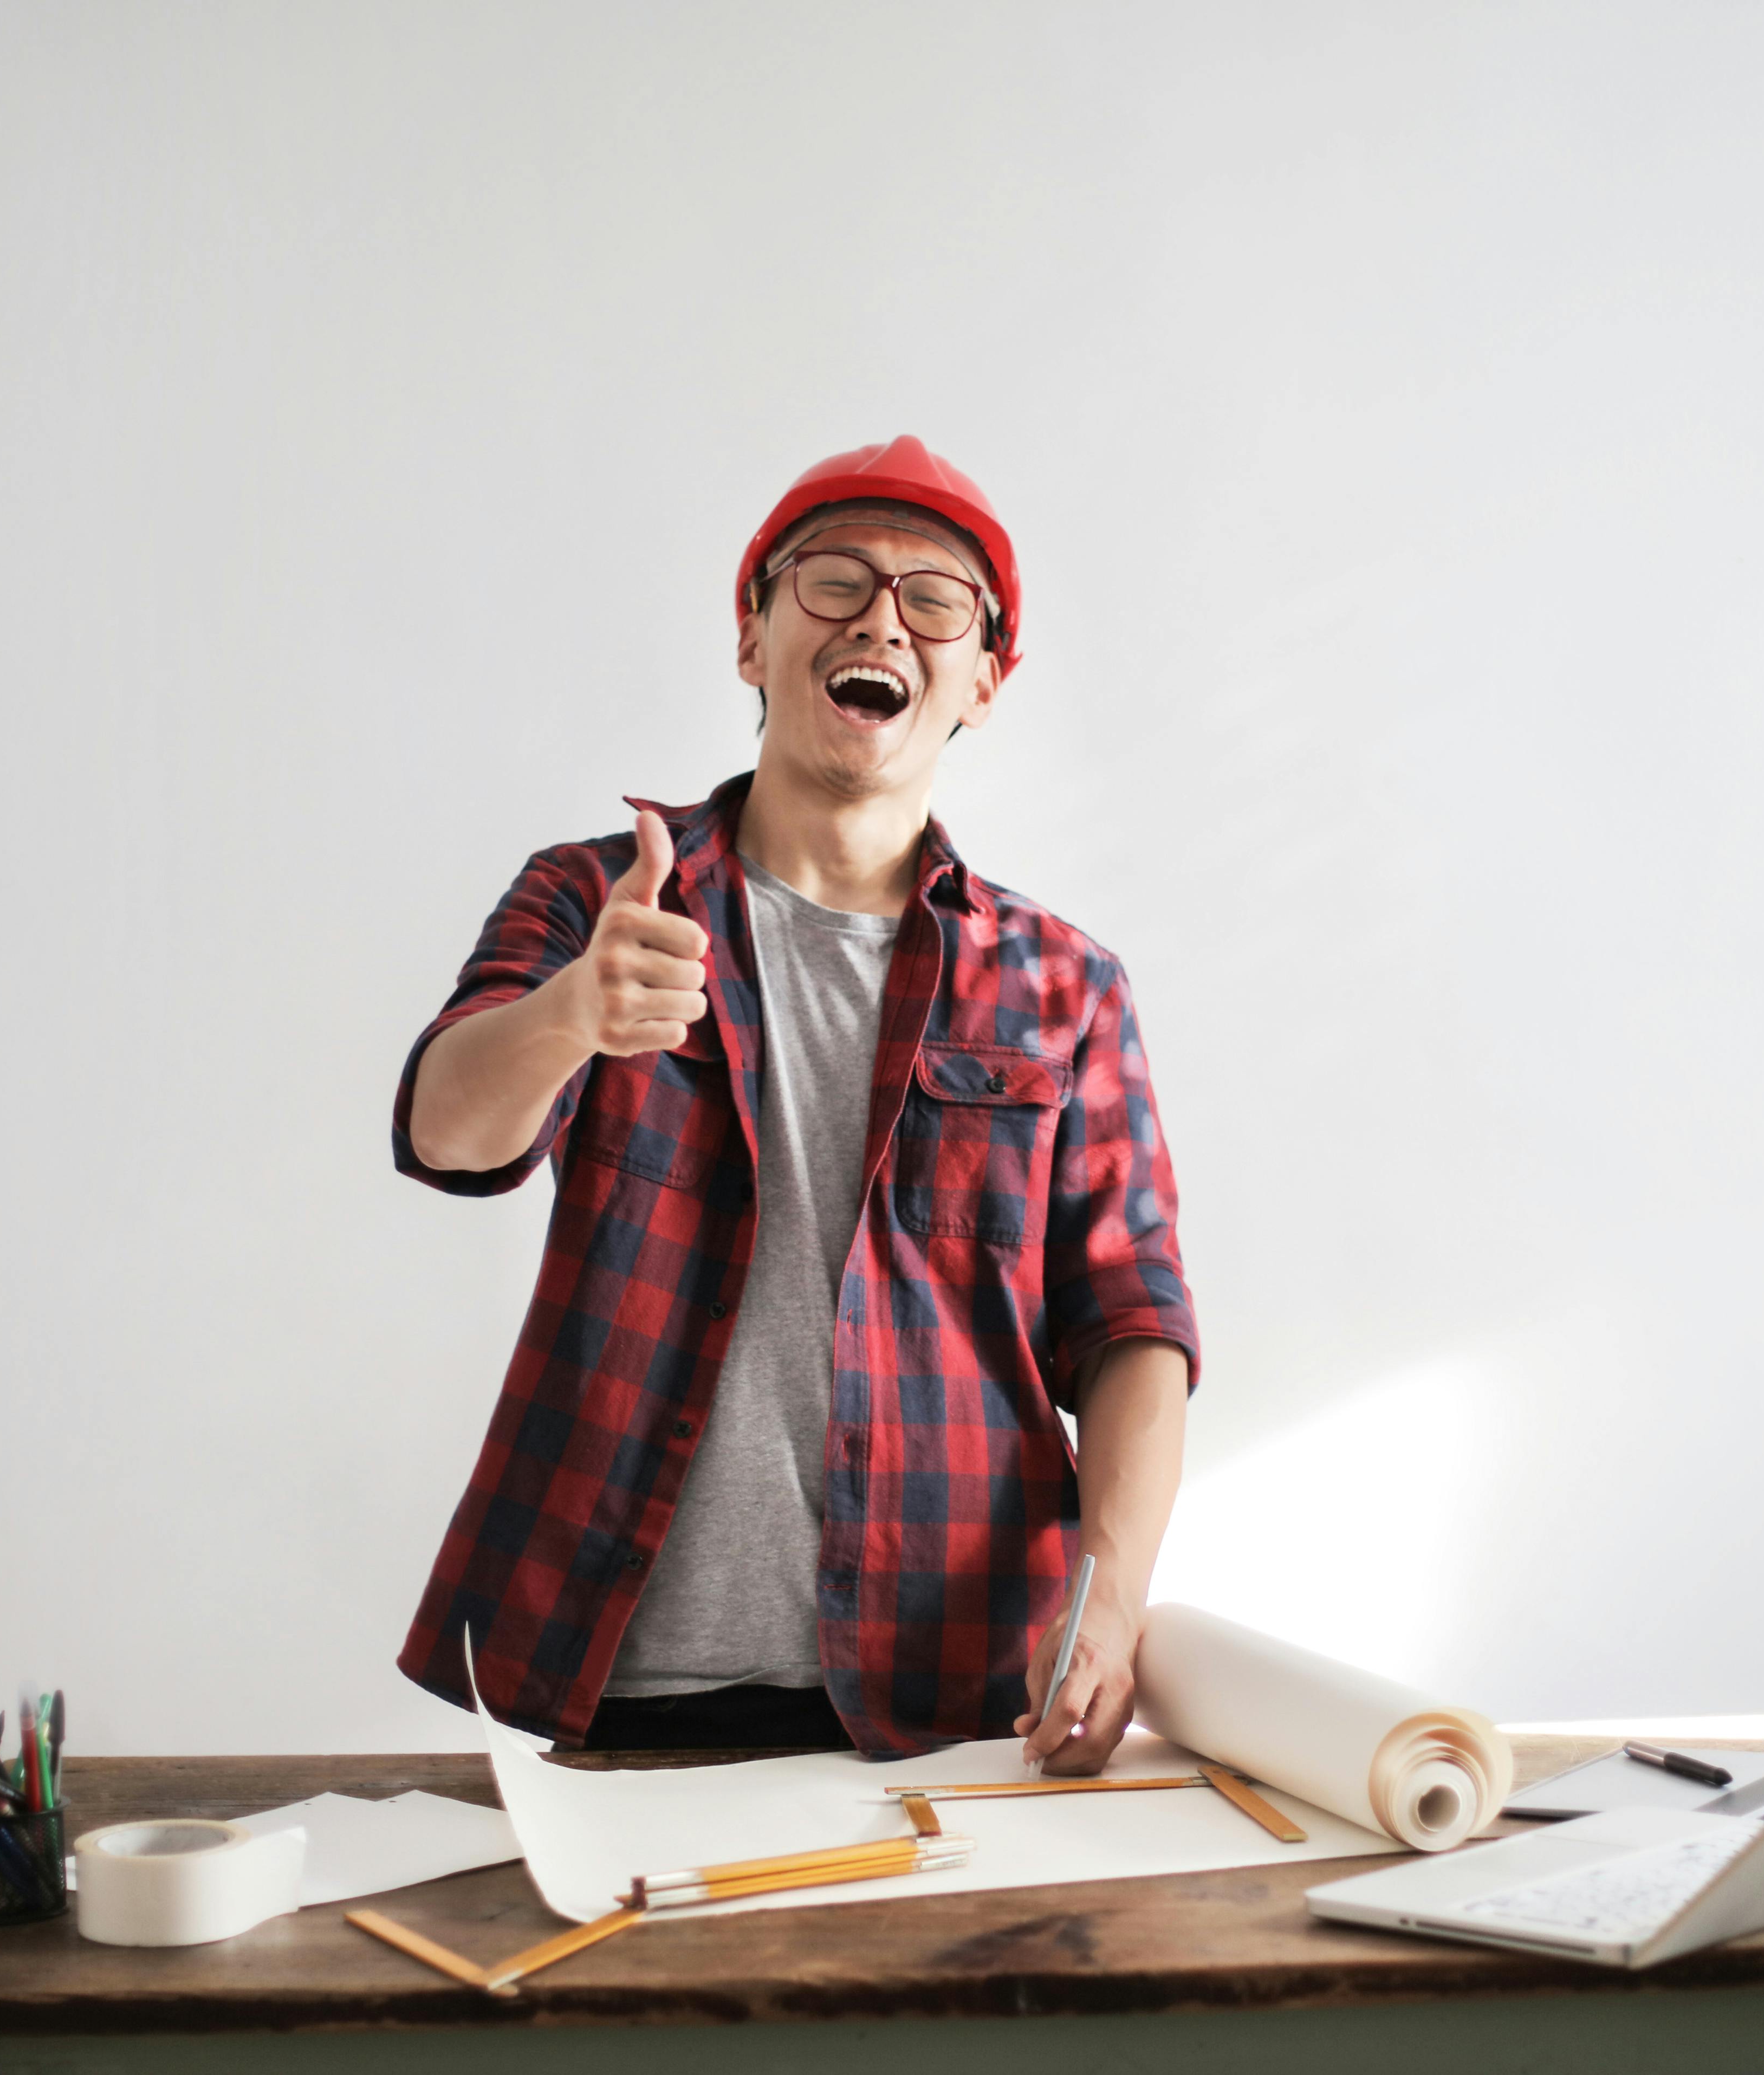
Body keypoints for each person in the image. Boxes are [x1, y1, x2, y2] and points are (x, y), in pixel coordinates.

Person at [391, 437, 1197, 1771]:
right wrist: (569, 1017)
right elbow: (444, 1131)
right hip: (637, 1687)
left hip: (964, 1696)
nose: (881, 616)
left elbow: (1133, 1327)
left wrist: (1112, 1603)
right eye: (832, 581)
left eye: (934, 599)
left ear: (985, 682)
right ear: (753, 637)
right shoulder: (609, 907)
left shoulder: (1065, 985)